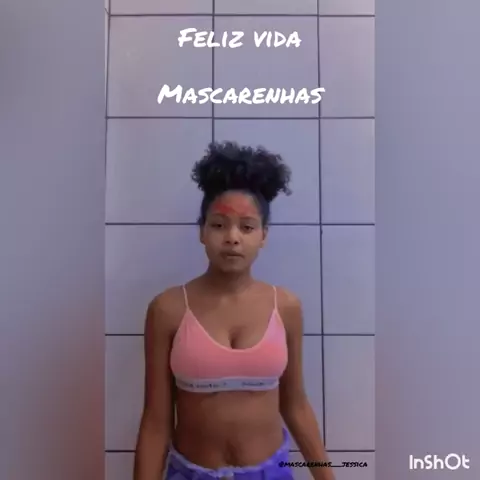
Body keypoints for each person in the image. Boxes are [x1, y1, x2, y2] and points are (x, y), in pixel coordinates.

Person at [133, 141, 335, 480]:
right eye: (218, 225)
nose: (232, 237)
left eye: (247, 226)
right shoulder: (167, 309)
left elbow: (296, 405)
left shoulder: (286, 307)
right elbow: (156, 421)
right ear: (201, 231)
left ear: (264, 235)